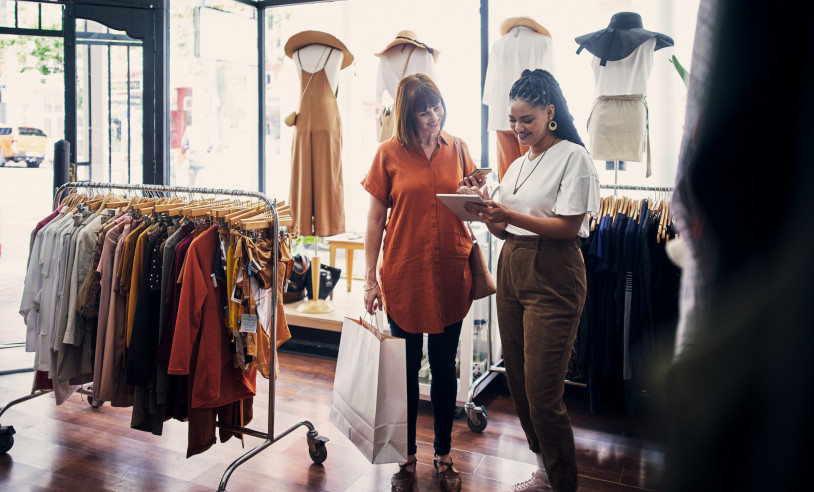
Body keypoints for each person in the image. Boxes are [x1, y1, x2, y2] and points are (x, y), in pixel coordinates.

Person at [463, 69, 600, 492]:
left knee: (543, 391)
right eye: (514, 120)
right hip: (512, 267)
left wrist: (510, 216)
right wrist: (485, 208)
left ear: (550, 112)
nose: (519, 129)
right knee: (519, 383)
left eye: (528, 119)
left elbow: (569, 226)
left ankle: (562, 484)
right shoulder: (519, 164)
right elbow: (505, 230)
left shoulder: (573, 156)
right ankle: (544, 470)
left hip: (555, 271)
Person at [361, 73, 484, 492]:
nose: (433, 117)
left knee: (445, 368)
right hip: (405, 273)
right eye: (422, 111)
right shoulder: (387, 154)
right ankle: (407, 457)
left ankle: (444, 454)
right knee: (407, 370)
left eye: (436, 107)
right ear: (406, 114)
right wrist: (369, 280)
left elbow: (474, 210)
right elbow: (376, 221)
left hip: (451, 271)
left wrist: (477, 196)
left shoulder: (460, 148)